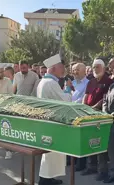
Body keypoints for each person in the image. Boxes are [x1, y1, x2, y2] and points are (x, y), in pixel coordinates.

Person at [36, 54, 72, 185]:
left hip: (49, 122)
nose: (63, 70)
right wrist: (68, 88)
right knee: (50, 154)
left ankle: (48, 178)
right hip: (52, 123)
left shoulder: (44, 82)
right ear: (53, 68)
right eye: (61, 67)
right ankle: (45, 180)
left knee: (50, 154)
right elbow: (66, 101)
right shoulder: (50, 83)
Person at [82, 59, 114, 181]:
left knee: (100, 144)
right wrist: (84, 107)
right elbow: (86, 96)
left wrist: (93, 108)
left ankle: (102, 170)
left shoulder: (109, 81)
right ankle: (91, 166)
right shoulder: (91, 82)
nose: (95, 69)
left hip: (100, 116)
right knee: (90, 142)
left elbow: (105, 98)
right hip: (88, 115)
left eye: (98, 67)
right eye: (94, 67)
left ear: (104, 68)